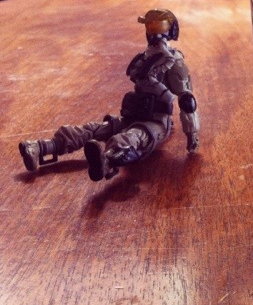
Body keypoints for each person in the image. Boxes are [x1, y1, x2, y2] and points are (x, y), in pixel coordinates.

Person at [18, 9, 200, 181]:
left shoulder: (174, 61)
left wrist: (192, 135)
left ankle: (105, 161)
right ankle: (42, 147)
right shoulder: (145, 58)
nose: (153, 32)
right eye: (150, 27)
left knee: (131, 137)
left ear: (169, 30)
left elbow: (187, 100)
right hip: (132, 117)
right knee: (92, 129)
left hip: (156, 123)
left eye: (158, 27)